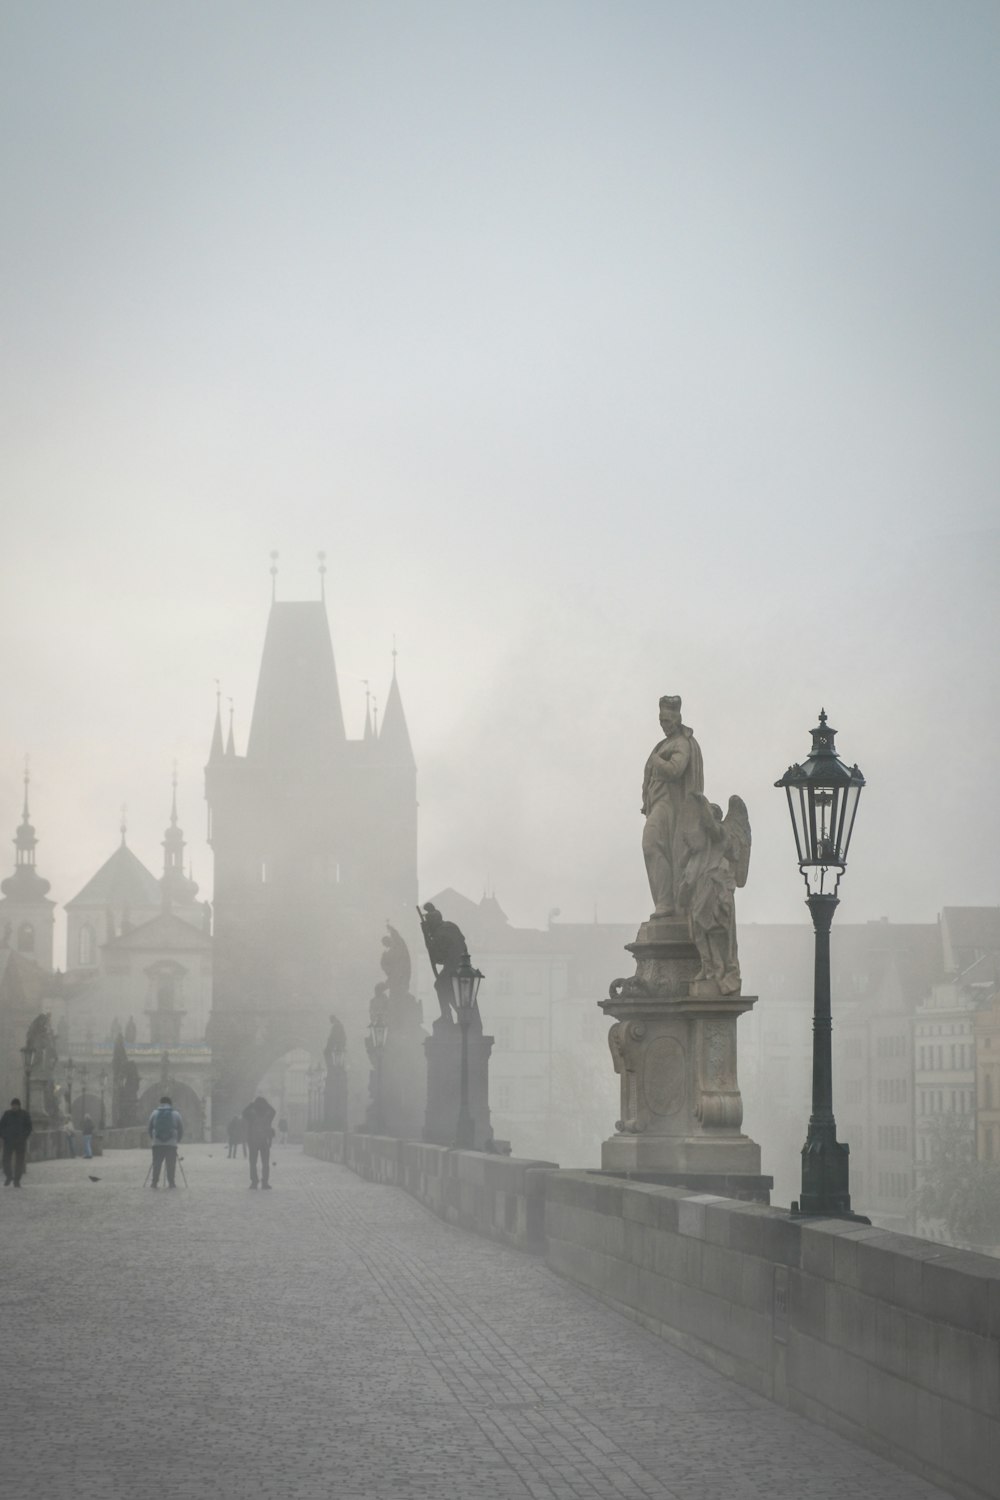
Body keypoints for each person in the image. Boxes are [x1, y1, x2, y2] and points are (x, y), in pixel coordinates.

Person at [641, 695, 704, 918]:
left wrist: (657, 760)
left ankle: (666, 902)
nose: (663, 725)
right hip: (657, 803)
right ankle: (663, 901)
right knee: (654, 848)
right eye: (661, 720)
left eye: (667, 720)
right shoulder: (664, 744)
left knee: (651, 844)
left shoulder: (681, 743)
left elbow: (676, 769)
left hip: (670, 805)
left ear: (677, 719)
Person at [147, 1094, 183, 1188]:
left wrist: (153, 1138)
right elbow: (181, 1129)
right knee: (171, 1164)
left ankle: (154, 1182)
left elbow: (149, 1128)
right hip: (171, 1143)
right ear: (170, 1104)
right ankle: (171, 1182)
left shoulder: (154, 1113)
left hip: (157, 1143)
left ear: (160, 1103)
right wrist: (177, 1140)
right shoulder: (176, 1114)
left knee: (157, 1163)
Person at [242, 1095, 276, 1189]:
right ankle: (265, 1182)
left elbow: (243, 1113)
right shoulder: (268, 1115)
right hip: (264, 1141)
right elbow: (274, 1111)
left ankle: (254, 1182)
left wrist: (251, 1105)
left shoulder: (251, 1115)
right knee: (265, 1163)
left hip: (253, 1141)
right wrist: (267, 1104)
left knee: (253, 1162)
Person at [0, 1097, 33, 1186]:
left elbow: (29, 1127)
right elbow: (1, 1126)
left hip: (20, 1142)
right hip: (8, 1141)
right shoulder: (7, 1114)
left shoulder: (25, 1114)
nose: (14, 1107)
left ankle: (17, 1180)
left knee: (19, 1162)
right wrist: (4, 1136)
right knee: (5, 1160)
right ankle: (9, 1176)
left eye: (15, 1105)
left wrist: (24, 1137)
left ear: (19, 1106)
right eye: (13, 1105)